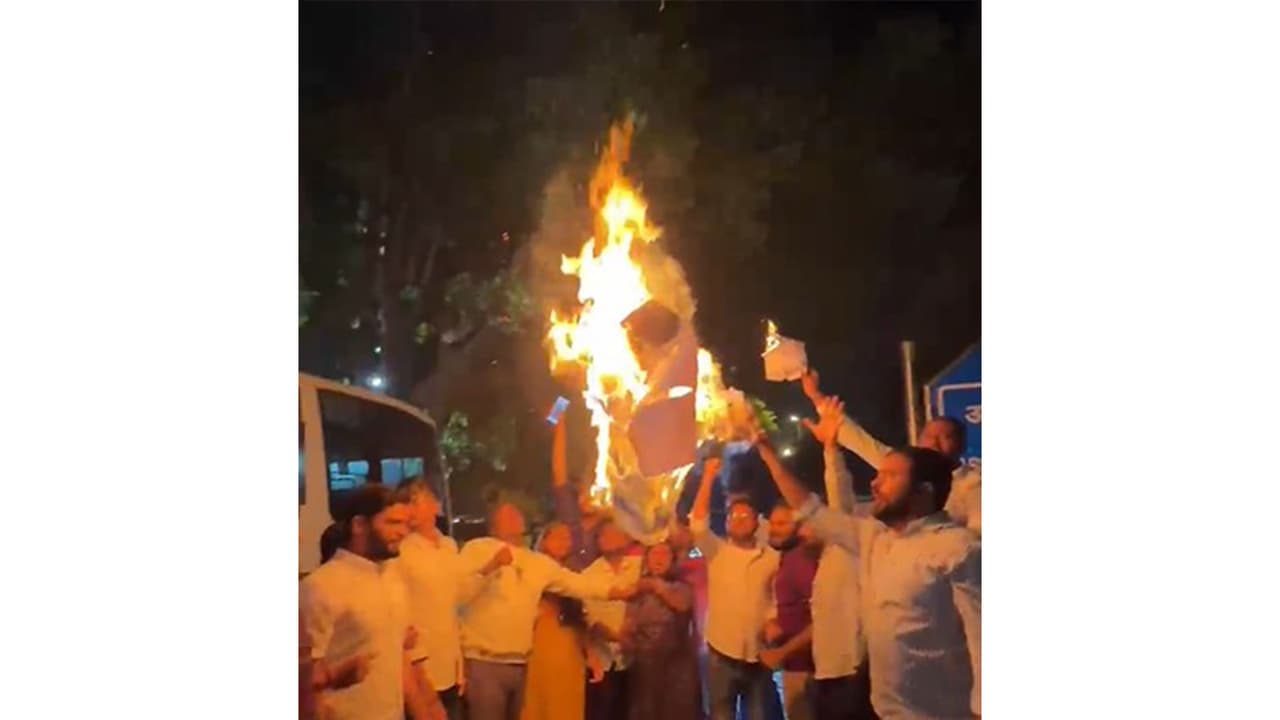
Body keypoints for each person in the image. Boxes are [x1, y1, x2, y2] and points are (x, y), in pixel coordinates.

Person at [759, 399, 981, 720]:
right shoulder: (874, 538)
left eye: (890, 477)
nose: (875, 484)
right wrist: (767, 452)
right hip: (883, 710)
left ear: (923, 491)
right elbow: (811, 509)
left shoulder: (957, 548)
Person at [456, 502, 637, 720]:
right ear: (493, 525)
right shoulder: (477, 549)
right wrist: (490, 567)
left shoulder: (537, 563)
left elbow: (576, 584)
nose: (514, 518)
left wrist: (615, 592)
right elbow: (460, 595)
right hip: (485, 661)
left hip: (520, 663)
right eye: (507, 515)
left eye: (517, 514)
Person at [300, 483, 445, 720]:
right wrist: (333, 677)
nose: (403, 532)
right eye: (393, 523)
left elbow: (398, 657)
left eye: (406, 524)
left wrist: (429, 708)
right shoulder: (321, 586)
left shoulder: (392, 579)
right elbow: (303, 677)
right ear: (359, 525)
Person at [802, 370, 981, 535]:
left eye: (945, 437)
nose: (934, 442)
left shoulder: (973, 485)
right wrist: (816, 397)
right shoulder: (903, 467)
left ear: (961, 445)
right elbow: (858, 440)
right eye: (928, 436)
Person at [396, 478, 504, 720]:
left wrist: (489, 569)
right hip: (420, 666)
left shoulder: (448, 546)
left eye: (416, 502)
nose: (410, 510)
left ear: (436, 505)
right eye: (406, 503)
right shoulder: (402, 551)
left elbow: (458, 595)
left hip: (449, 661)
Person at [690, 455, 783, 720]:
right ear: (727, 522)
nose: (739, 520)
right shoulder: (716, 551)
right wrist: (708, 477)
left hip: (758, 653)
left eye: (745, 516)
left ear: (757, 522)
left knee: (758, 715)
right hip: (721, 652)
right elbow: (698, 524)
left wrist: (773, 620)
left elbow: (775, 597)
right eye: (733, 516)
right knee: (721, 714)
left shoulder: (771, 557)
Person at [520, 522, 602, 720]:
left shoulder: (573, 573)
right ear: (544, 541)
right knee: (539, 701)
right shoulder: (531, 569)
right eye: (557, 537)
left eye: (567, 537)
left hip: (570, 644)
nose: (564, 542)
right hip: (540, 641)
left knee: (568, 702)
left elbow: (580, 616)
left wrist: (590, 654)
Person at [622, 541, 701, 720]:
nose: (659, 558)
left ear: (673, 560)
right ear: (647, 560)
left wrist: (656, 586)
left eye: (665, 554)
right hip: (644, 665)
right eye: (655, 554)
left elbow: (681, 604)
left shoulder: (682, 586)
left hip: (676, 665)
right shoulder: (637, 588)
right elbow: (628, 623)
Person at [759, 503, 820, 720]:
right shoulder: (788, 558)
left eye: (782, 523)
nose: (774, 529)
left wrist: (781, 652)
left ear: (799, 527)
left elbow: (822, 617)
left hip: (806, 669)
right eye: (773, 523)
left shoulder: (800, 561)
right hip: (797, 666)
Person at [582, 520, 642, 720]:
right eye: (604, 535)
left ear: (627, 539)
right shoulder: (589, 575)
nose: (609, 538)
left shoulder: (640, 567)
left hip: (636, 659)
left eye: (615, 534)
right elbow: (589, 620)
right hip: (604, 661)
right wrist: (616, 637)